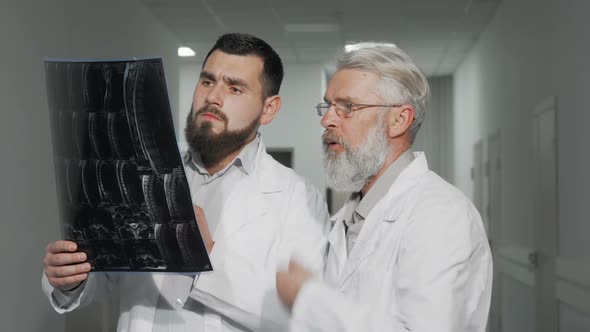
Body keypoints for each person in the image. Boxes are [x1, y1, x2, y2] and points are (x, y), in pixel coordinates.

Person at [42, 33, 329, 331]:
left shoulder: (297, 198)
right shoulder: (140, 176)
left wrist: (202, 258)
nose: (213, 97)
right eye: (207, 81)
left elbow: (302, 317)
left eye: (235, 88)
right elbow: (106, 278)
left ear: (268, 108)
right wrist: (71, 278)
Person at [276, 42, 493, 332]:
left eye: (347, 107)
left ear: (398, 120)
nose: (327, 119)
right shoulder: (350, 217)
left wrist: (310, 299)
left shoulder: (441, 215)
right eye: (328, 106)